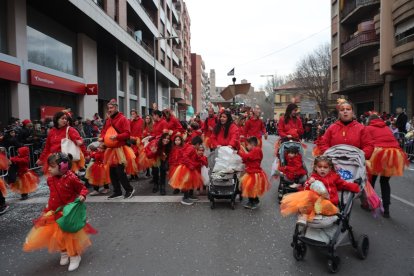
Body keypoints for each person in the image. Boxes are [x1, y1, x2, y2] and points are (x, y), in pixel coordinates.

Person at [23, 152, 97, 272]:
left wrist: (83, 195)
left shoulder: (71, 178)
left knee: (69, 235)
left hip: (67, 212)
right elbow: (53, 193)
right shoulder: (50, 180)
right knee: (57, 235)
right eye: (49, 166)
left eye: (52, 167)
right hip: (53, 211)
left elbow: (82, 188)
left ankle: (74, 256)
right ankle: (64, 252)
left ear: (63, 166)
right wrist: (49, 206)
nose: (49, 169)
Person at [280, 156, 360, 224]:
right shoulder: (314, 177)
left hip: (330, 204)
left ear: (330, 168)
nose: (322, 169)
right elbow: (306, 189)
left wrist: (355, 187)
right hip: (317, 204)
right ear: (315, 168)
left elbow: (343, 184)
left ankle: (312, 214)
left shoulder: (334, 177)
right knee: (309, 196)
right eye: (320, 167)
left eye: (325, 167)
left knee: (316, 203)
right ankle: (304, 217)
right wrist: (309, 183)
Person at [365, 113, 409, 218]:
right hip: (393, 154)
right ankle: (386, 210)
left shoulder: (368, 128)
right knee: (384, 182)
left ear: (370, 121)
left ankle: (370, 203)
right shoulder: (386, 128)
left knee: (371, 181)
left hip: (379, 154)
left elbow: (366, 143)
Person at [99, 99, 136, 199]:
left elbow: (127, 133)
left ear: (116, 108)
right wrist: (102, 138)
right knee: (111, 172)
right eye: (108, 108)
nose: (109, 110)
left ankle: (129, 189)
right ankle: (117, 191)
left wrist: (117, 137)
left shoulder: (123, 119)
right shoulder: (108, 120)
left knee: (120, 172)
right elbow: (104, 131)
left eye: (111, 108)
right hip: (110, 149)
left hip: (120, 149)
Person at [170, 136, 205, 205]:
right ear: (197, 144)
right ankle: (185, 198)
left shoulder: (192, 148)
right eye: (200, 144)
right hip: (186, 167)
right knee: (186, 182)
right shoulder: (191, 148)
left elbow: (196, 157)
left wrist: (202, 161)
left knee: (190, 182)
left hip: (188, 167)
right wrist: (190, 165)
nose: (200, 146)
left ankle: (189, 195)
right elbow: (184, 157)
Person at [238, 137, 270, 209]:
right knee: (249, 188)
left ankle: (255, 201)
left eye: (247, 145)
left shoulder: (256, 150)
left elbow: (248, 157)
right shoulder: (254, 151)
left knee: (251, 188)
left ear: (252, 145)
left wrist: (239, 153)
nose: (246, 146)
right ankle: (251, 201)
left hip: (254, 173)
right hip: (251, 172)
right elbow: (249, 159)